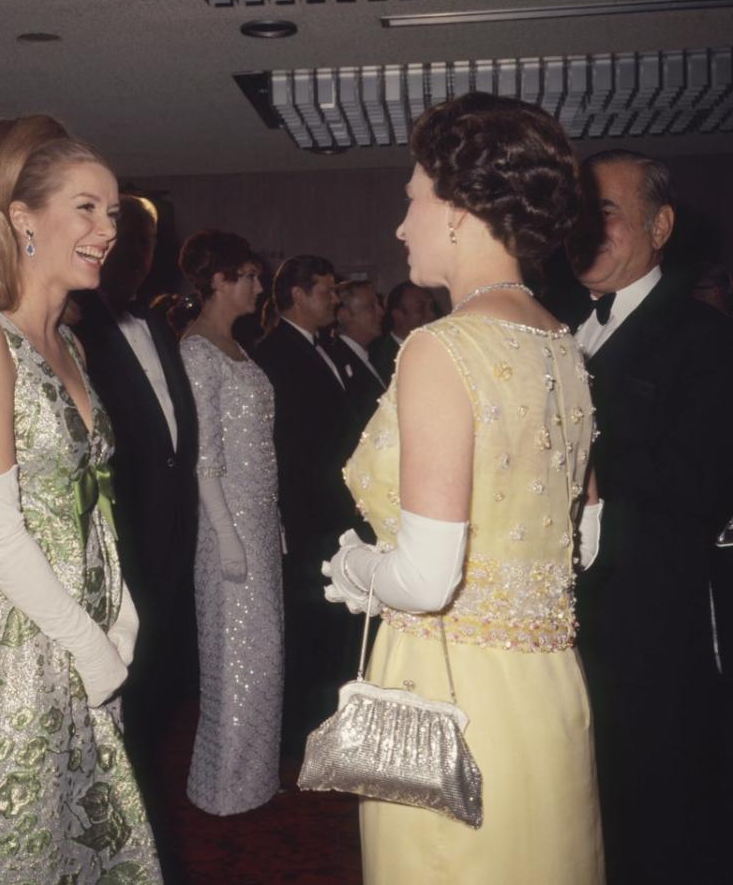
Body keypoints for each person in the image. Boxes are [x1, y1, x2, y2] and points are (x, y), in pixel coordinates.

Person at [321, 92, 604, 883]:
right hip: (548, 693)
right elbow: (585, 538)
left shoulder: (440, 348)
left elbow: (426, 575)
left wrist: (353, 570)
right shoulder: (562, 345)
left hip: (448, 699)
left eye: (411, 200)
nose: (400, 225)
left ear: (458, 210)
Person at [0, 115, 159, 883]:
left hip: (78, 641)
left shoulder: (71, 344)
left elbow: (89, 502)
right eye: (86, 207)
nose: (106, 228)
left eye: (113, 211)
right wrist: (90, 645)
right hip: (6, 654)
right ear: (23, 218)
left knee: (82, 853)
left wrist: (118, 616)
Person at [571, 149, 733, 884]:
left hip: (653, 619)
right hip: (572, 620)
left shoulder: (701, 336)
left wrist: (586, 469)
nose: (587, 229)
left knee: (661, 813)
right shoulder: (566, 331)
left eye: (605, 211)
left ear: (660, 225)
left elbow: (704, 481)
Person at [71, 194, 197, 876]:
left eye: (147, 241)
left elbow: (176, 443)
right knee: (121, 717)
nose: (138, 251)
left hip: (167, 549)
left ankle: (140, 834)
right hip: (118, 551)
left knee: (148, 712)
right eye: (130, 238)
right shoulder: (73, 321)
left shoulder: (153, 321)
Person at [178, 230, 283, 815]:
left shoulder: (237, 346)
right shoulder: (197, 352)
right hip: (228, 526)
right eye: (247, 276)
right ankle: (223, 788)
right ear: (218, 281)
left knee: (261, 658)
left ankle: (253, 779)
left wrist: (272, 520)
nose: (257, 286)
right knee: (233, 658)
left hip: (259, 520)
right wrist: (225, 535)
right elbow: (206, 458)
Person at [254, 255, 364, 753]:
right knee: (309, 628)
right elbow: (290, 447)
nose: (334, 301)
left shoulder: (329, 348)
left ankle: (330, 724)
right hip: (307, 514)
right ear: (297, 296)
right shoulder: (273, 354)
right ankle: (303, 735)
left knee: (333, 627)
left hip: (336, 510)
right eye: (325, 292)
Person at [331, 278, 386, 428]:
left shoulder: (376, 355)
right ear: (344, 315)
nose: (381, 312)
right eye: (370, 307)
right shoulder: (337, 362)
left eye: (378, 304)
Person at [368, 281, 437, 383]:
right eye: (420, 308)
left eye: (431, 307)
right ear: (398, 315)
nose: (431, 314)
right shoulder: (378, 358)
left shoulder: (439, 347)